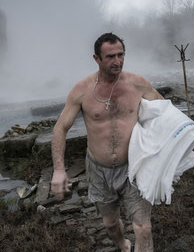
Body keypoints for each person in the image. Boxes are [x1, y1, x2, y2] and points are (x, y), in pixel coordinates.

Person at [51, 32, 163, 252]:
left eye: (121, 55)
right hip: (98, 170)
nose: (117, 61)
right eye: (110, 56)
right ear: (96, 59)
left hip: (133, 167)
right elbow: (60, 128)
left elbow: (164, 113)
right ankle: (123, 245)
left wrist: (170, 154)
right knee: (111, 225)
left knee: (143, 228)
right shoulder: (81, 90)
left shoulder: (138, 84)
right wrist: (58, 170)